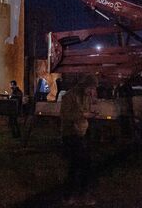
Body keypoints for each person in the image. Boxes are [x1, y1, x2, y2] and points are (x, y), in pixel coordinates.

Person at [60, 75, 98, 206]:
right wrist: (83, 115)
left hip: (82, 133)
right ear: (84, 86)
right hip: (70, 134)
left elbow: (86, 110)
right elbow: (65, 115)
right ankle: (73, 194)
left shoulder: (86, 96)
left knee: (80, 164)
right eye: (91, 88)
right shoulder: (69, 96)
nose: (92, 91)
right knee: (80, 164)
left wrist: (90, 111)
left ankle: (76, 194)